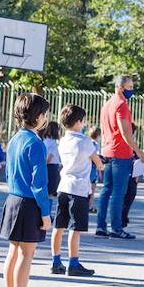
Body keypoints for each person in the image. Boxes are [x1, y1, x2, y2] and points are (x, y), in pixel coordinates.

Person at [0, 93, 53, 287]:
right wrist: (46, 212)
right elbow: (39, 183)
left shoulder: (14, 139)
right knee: (26, 255)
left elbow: (9, 172)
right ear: (40, 117)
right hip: (29, 203)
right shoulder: (36, 143)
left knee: (13, 253)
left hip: (12, 199)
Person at [52, 104, 103, 277]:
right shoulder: (86, 141)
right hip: (79, 188)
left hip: (63, 185)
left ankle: (56, 261)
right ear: (79, 122)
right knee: (75, 228)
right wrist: (100, 162)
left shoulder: (62, 141)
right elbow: (98, 162)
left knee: (58, 226)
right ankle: (73, 263)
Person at [96, 74, 140, 240]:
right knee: (118, 193)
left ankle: (101, 226)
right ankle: (116, 228)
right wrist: (138, 151)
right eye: (130, 87)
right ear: (121, 88)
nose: (132, 90)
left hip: (107, 151)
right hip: (121, 153)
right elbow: (125, 132)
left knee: (106, 190)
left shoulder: (107, 104)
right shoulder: (121, 104)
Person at [123, 125, 144, 228]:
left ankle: (123, 216)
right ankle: (123, 217)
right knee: (129, 195)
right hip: (130, 175)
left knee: (126, 196)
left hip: (130, 174)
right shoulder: (130, 145)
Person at [42, 120, 62, 200]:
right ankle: (47, 212)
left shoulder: (44, 141)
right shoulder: (53, 143)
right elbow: (49, 159)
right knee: (50, 193)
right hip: (52, 168)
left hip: (45, 167)